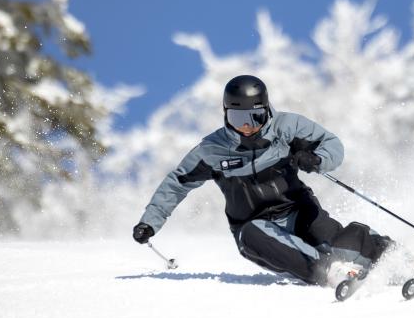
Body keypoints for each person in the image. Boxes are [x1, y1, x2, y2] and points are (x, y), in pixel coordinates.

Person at [132, 75, 395, 287]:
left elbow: (332, 144)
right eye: (238, 119)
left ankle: (391, 257)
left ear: (266, 110)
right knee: (255, 235)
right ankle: (329, 271)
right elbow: (177, 183)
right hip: (254, 228)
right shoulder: (212, 150)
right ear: (226, 115)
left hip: (297, 210)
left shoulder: (286, 127)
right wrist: (149, 222)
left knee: (334, 239)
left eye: (254, 117)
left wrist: (316, 159)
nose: (247, 126)